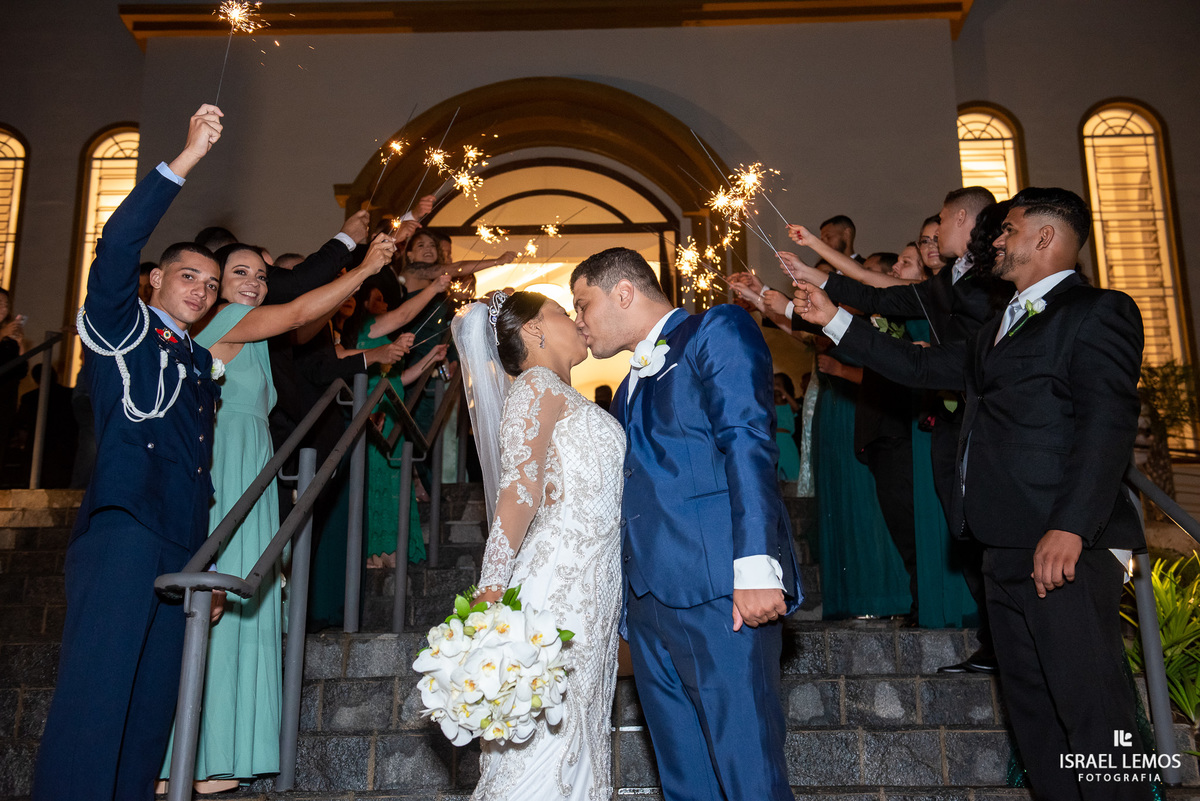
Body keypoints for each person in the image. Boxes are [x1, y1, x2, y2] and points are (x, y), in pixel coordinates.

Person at [795, 187, 1150, 800]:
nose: (996, 239)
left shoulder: (1097, 311)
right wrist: (834, 319)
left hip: (1062, 546)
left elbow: (1106, 426)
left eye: (1007, 229)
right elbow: (920, 367)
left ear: (1045, 237)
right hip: (1000, 546)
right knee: (1035, 716)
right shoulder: (996, 328)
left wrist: (1070, 526)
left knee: (1094, 711)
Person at [33, 105, 225, 801]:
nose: (201, 291)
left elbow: (197, 468)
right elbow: (116, 243)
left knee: (149, 712)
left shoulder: (199, 362)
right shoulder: (124, 329)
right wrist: (187, 157)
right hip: (124, 529)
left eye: (211, 284)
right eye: (188, 277)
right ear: (156, 280)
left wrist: (203, 564)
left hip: (180, 542)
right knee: (98, 698)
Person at [156, 233, 396, 792]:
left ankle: (226, 753)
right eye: (239, 272)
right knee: (220, 604)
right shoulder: (223, 322)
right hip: (224, 475)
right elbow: (299, 311)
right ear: (217, 287)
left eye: (261, 276)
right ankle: (192, 760)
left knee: (248, 606)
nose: (253, 282)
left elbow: (306, 322)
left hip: (256, 472)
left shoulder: (257, 336)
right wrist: (364, 268)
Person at [571, 247, 802, 801]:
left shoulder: (714, 329)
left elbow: (746, 442)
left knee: (749, 776)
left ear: (623, 292)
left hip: (721, 589)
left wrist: (755, 565)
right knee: (685, 782)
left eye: (583, 304)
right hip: (648, 604)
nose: (579, 320)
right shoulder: (626, 386)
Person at [782, 187, 1008, 673]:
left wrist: (831, 308)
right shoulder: (951, 280)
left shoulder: (991, 282)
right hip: (951, 417)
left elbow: (917, 341)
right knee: (963, 530)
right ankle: (994, 640)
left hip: (987, 417)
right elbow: (874, 290)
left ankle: (1005, 640)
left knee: (986, 533)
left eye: (941, 220)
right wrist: (812, 271)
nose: (935, 232)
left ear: (962, 219)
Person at [451, 289, 625, 800]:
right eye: (563, 313)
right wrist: (490, 592)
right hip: (559, 585)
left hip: (594, 584)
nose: (577, 321)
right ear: (534, 329)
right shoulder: (536, 385)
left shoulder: (562, 393)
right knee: (545, 741)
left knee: (578, 724)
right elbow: (519, 492)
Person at [0, 287, 27, 479]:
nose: (3, 308)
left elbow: (21, 370)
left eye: (6, 304)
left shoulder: (8, 338)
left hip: (6, 398)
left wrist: (19, 344)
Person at [774, 373, 801, 482]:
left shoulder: (789, 405)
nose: (775, 387)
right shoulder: (770, 405)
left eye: (778, 384)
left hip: (787, 442)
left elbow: (797, 407)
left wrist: (783, 391)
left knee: (792, 471)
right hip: (774, 441)